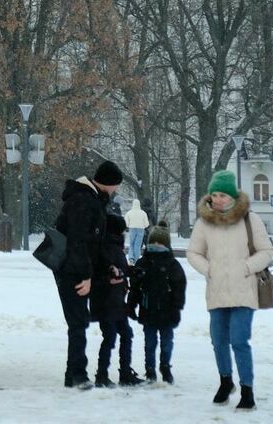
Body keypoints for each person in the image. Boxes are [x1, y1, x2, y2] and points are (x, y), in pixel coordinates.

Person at [187, 170, 273, 412]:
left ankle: (247, 390)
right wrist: (209, 269)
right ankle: (226, 381)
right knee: (218, 340)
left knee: (239, 340)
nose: (217, 199)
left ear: (233, 196)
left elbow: (267, 251)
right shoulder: (204, 221)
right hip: (216, 291)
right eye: (214, 194)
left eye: (223, 195)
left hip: (244, 291)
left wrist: (247, 267)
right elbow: (193, 252)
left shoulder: (250, 219)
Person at [52, 159, 123, 390]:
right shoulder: (83, 201)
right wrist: (85, 276)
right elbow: (79, 242)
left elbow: (94, 244)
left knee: (79, 321)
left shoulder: (90, 200)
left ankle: (73, 373)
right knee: (78, 321)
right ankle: (77, 374)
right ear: (108, 183)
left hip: (74, 268)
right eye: (115, 186)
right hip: (71, 270)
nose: (115, 191)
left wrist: (106, 267)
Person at [127, 221, 186, 384]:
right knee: (150, 342)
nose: (156, 246)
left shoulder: (172, 265)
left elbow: (179, 289)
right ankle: (150, 369)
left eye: (160, 243)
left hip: (167, 311)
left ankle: (165, 366)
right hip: (148, 310)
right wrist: (131, 305)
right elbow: (135, 288)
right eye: (153, 243)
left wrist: (177, 309)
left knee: (166, 341)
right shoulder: (143, 262)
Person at [91, 212, 141, 387]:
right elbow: (98, 274)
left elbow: (121, 269)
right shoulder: (105, 248)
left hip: (115, 301)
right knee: (112, 336)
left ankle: (122, 372)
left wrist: (131, 271)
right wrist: (111, 278)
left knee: (123, 335)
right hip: (107, 301)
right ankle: (103, 375)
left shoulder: (113, 247)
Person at [124, 198, 150, 263]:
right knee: (137, 245)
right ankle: (136, 259)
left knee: (131, 244)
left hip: (132, 229)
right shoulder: (143, 213)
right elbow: (147, 224)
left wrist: (130, 225)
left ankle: (131, 258)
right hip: (141, 229)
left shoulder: (129, 213)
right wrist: (143, 226)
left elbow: (126, 223)